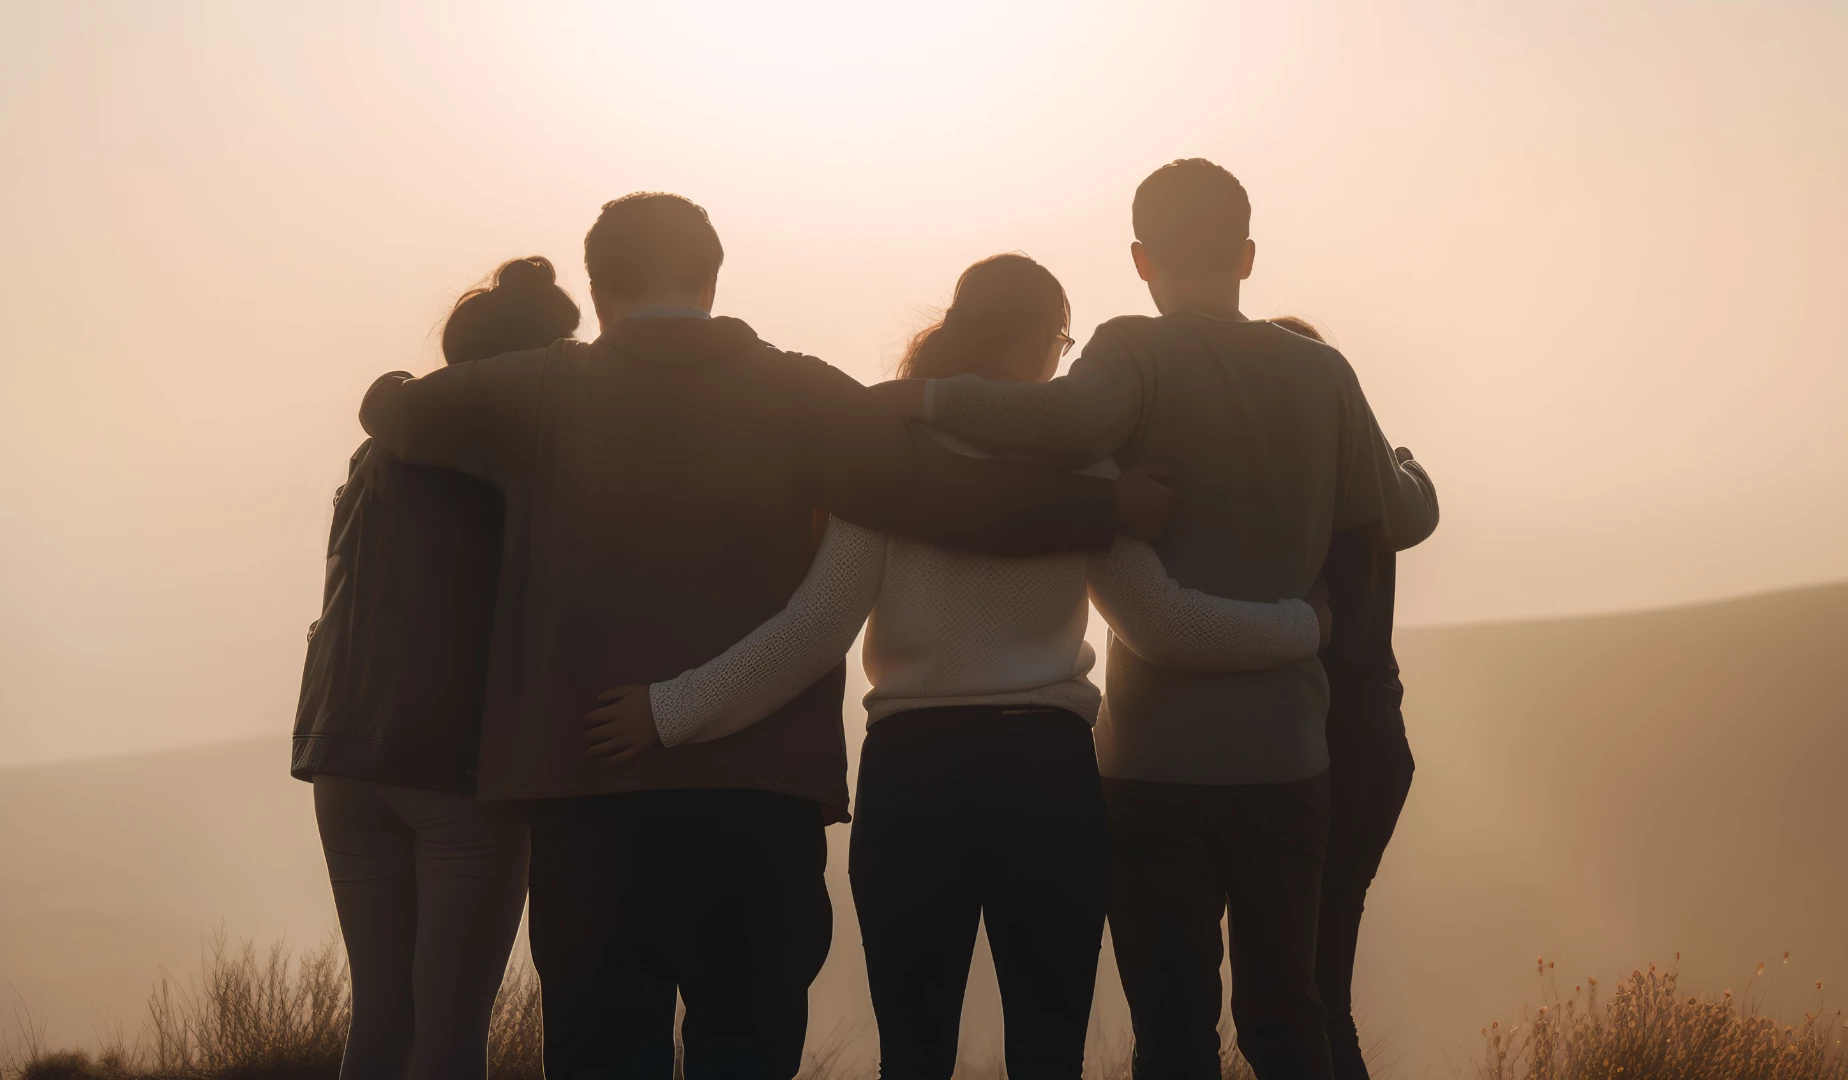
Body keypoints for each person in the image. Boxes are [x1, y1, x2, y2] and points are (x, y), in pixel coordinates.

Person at [355, 194, 1177, 1080]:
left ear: (598, 289)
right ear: (712, 278)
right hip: (762, 799)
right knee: (747, 1046)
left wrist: (399, 389)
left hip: (588, 790)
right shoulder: (801, 392)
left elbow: (391, 413)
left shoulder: (533, 388)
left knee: (606, 1048)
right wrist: (1104, 504)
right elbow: (941, 494)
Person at [598, 253, 1332, 1080]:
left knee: (915, 1056)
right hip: (1048, 779)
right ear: (1033, 343)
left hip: (916, 781)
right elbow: (1165, 625)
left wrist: (669, 709)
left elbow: (811, 632)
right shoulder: (1088, 473)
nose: (1061, 359)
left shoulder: (889, 465)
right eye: (1060, 339)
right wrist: (1302, 624)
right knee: (1048, 1055)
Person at [875, 160, 1438, 1080]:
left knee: (1173, 1034)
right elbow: (1401, 516)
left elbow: (1057, 423)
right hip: (1287, 759)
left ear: (1140, 259)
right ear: (1248, 255)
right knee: (1288, 1017)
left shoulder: (1132, 351)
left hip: (1152, 767)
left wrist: (927, 396)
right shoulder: (1322, 373)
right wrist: (1409, 466)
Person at [293, 256, 581, 1078]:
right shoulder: (513, 456)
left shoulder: (375, 457)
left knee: (381, 1015)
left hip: (343, 755)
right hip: (456, 766)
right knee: (452, 1027)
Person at [1268, 316, 1416, 1080]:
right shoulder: (1375, 486)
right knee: (1324, 986)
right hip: (1378, 741)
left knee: (1304, 999)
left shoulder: (1286, 496)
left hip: (1321, 746)